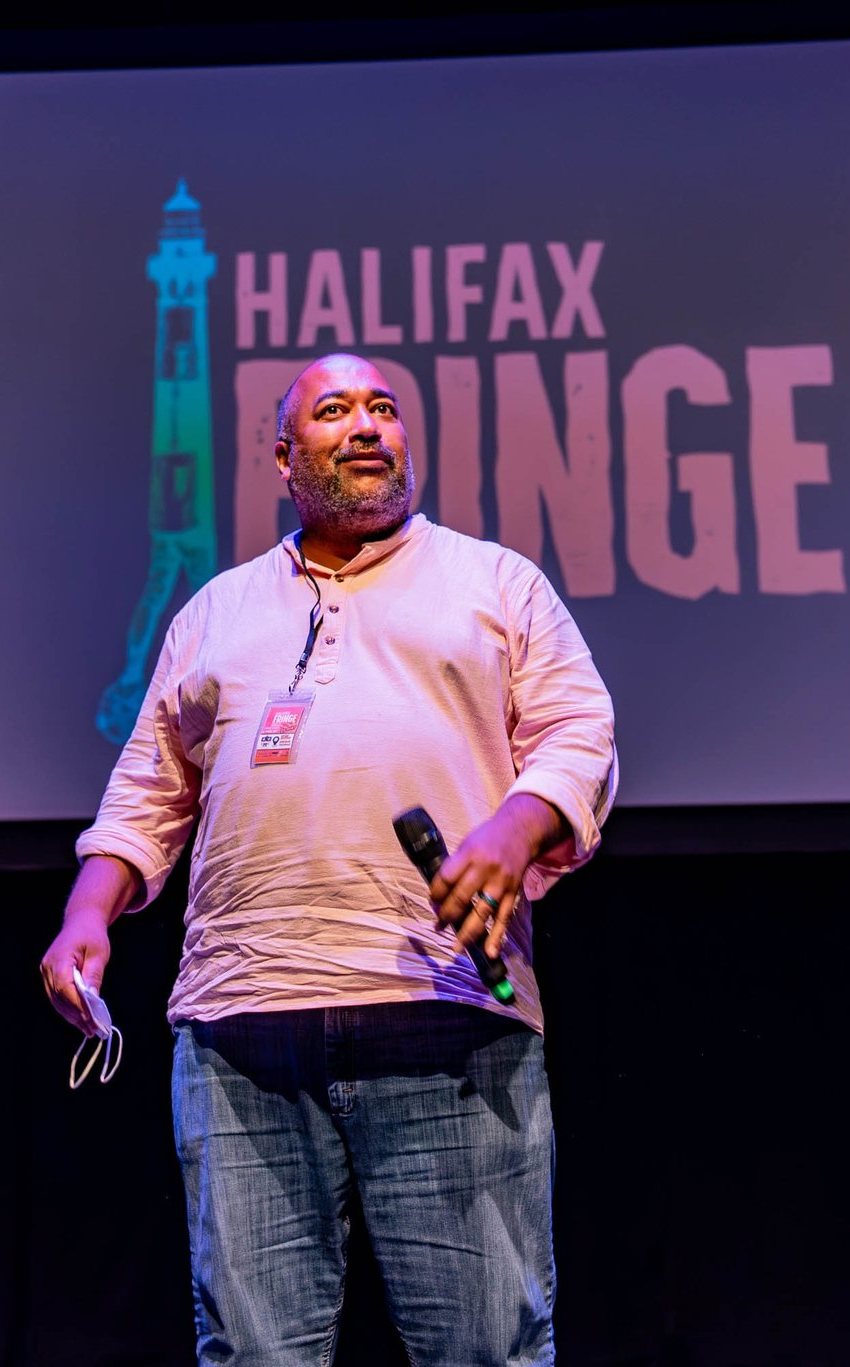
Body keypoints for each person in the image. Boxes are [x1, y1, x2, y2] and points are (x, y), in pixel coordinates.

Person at [41, 353, 616, 1365]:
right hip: (239, 1032)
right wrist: (87, 912)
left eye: (383, 407)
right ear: (282, 455)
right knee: (253, 1355)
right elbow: (145, 793)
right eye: (335, 409)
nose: (366, 425)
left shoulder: (494, 582)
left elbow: (579, 734)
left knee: (486, 1351)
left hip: (445, 1019)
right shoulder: (214, 611)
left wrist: (510, 830)